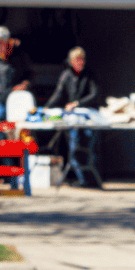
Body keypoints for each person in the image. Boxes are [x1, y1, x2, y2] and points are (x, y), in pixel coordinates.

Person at [47, 47, 102, 188]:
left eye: (82, 59)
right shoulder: (66, 75)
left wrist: (77, 103)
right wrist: (47, 107)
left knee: (90, 149)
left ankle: (94, 180)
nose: (81, 62)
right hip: (74, 119)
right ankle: (83, 180)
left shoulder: (89, 74)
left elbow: (94, 94)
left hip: (89, 117)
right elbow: (58, 94)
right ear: (71, 61)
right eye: (78, 59)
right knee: (74, 150)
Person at [0, 25, 31, 122]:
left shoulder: (20, 55)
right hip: (0, 99)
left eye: (1, 43)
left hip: (17, 97)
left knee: (18, 127)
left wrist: (25, 84)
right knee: (1, 124)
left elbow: (30, 74)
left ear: (8, 42)